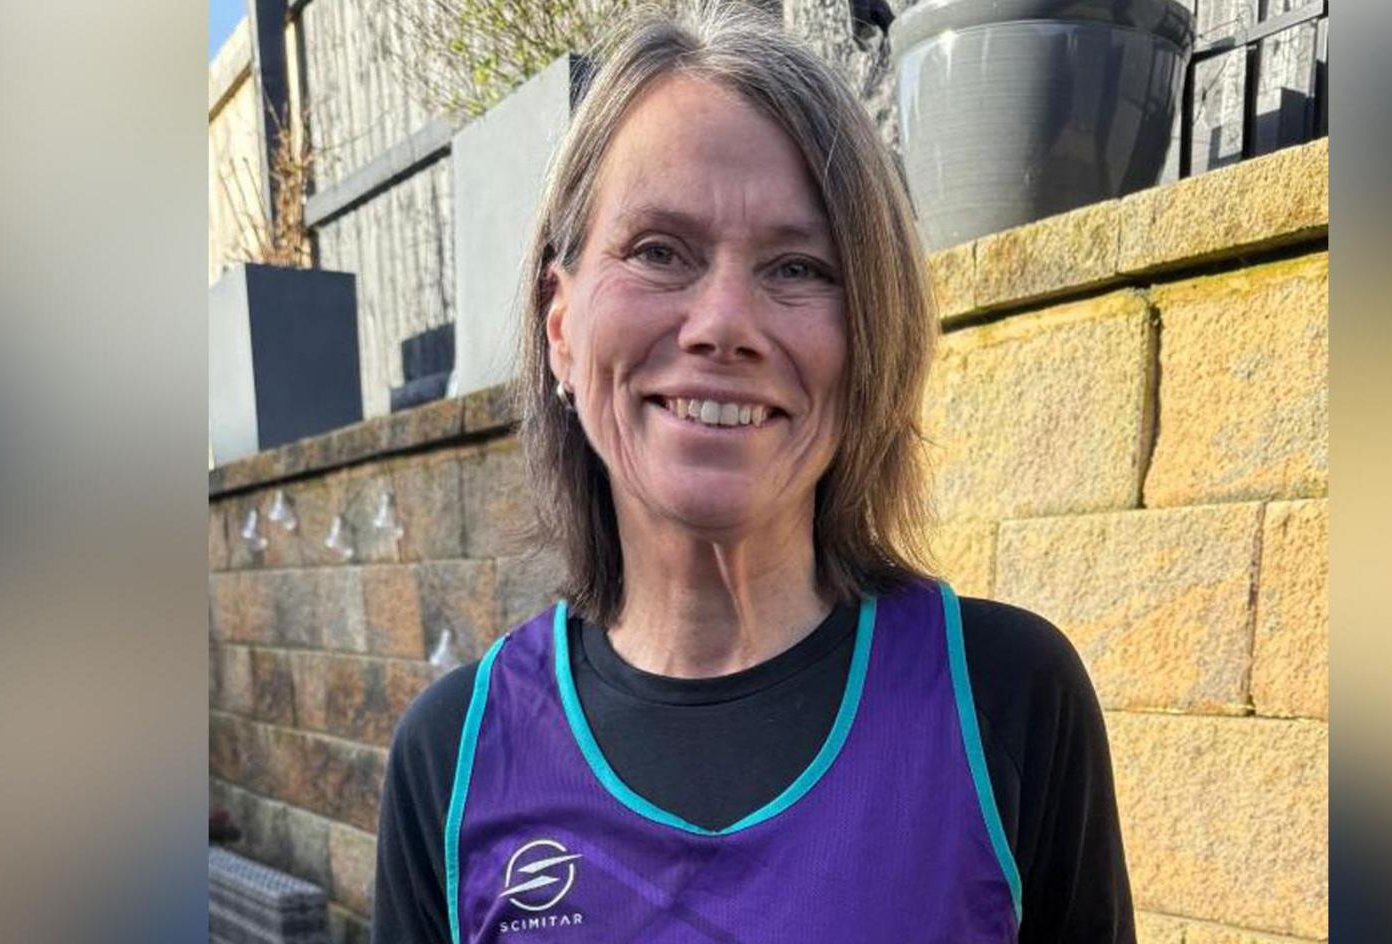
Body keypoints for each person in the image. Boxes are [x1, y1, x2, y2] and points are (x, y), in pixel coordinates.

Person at [372, 4, 1133, 941]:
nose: (723, 321)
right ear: (560, 323)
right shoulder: (452, 762)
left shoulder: (1009, 701)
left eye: (799, 267)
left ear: (871, 340)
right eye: (659, 251)